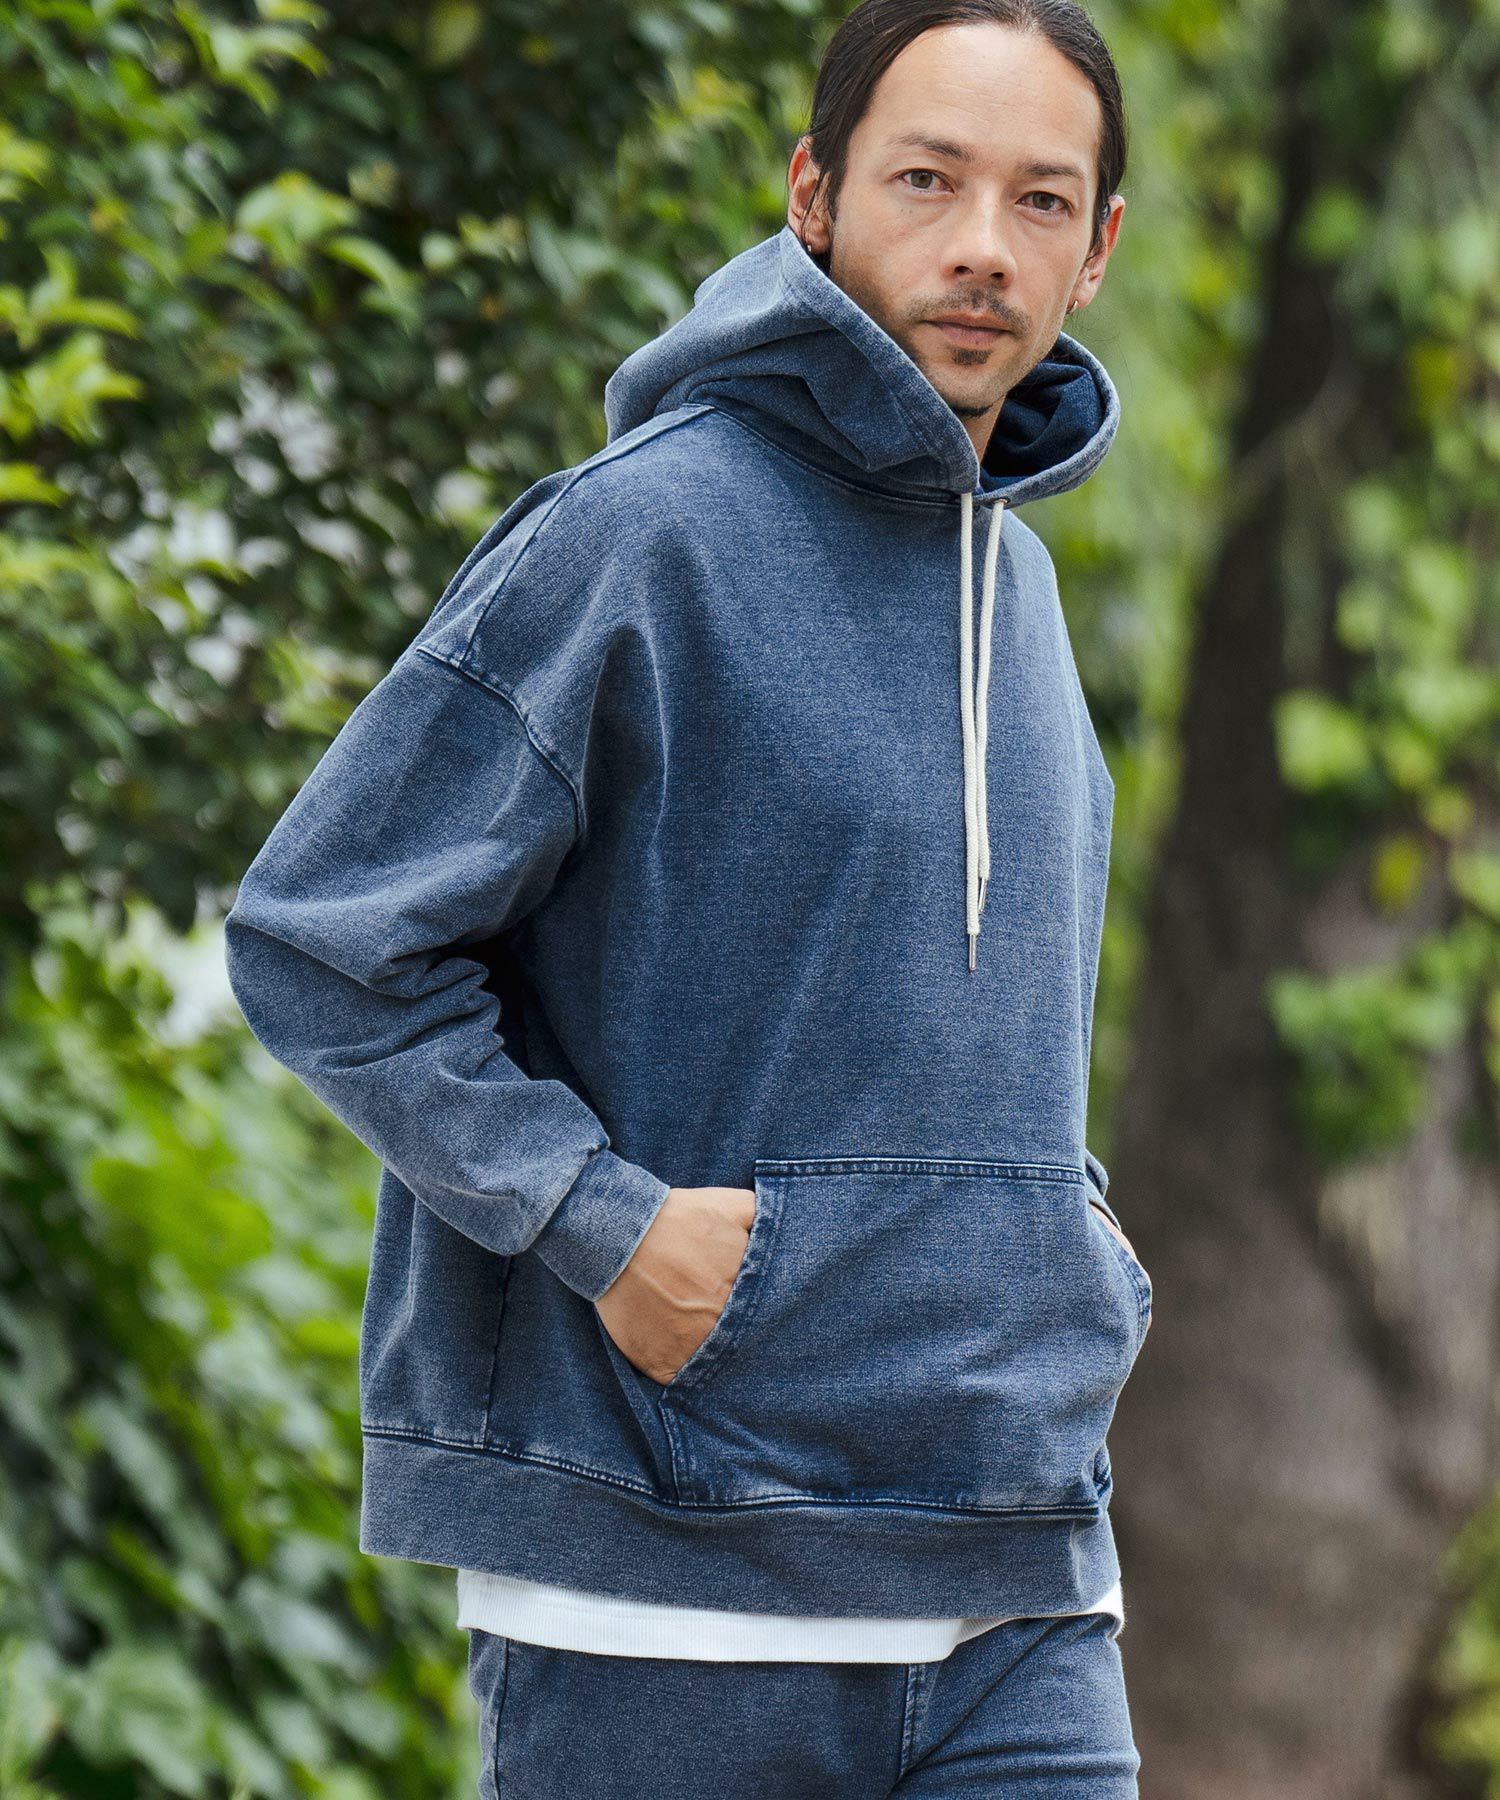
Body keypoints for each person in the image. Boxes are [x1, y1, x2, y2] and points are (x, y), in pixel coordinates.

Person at [223, 0, 1149, 1789]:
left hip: (1020, 1583)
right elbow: (325, 940)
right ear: (813, 195)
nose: (983, 245)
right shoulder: (641, 533)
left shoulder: (1019, 593)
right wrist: (598, 1219)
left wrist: (1065, 1244)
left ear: (1096, 248)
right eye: (927, 180)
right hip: (665, 1599)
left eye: (1041, 200)